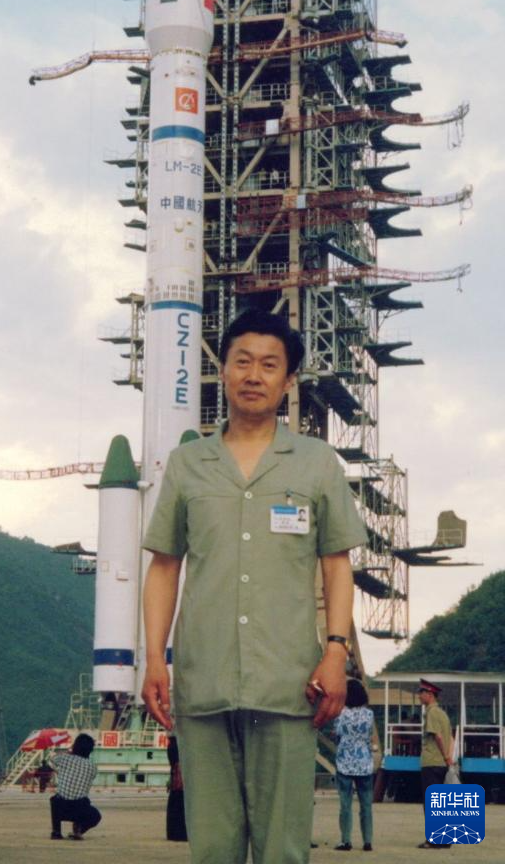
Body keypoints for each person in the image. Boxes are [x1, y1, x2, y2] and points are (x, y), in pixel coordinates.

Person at [141, 308, 367, 864]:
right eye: (242, 361)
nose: (253, 375)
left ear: (288, 380)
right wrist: (153, 660)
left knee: (284, 849)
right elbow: (165, 566)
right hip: (204, 681)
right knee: (212, 849)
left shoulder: (316, 464)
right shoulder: (188, 464)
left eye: (269, 365)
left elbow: (337, 565)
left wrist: (335, 653)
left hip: (288, 685)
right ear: (223, 370)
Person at [333, 678, 375, 852]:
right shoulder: (369, 714)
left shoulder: (341, 714)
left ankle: (346, 840)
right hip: (365, 763)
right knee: (366, 805)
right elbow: (369, 735)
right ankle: (367, 841)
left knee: (345, 805)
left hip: (344, 762)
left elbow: (337, 734)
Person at [417, 678, 453, 850]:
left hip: (431, 761)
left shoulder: (431, 712)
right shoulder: (443, 714)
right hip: (441, 764)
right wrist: (448, 758)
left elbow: (437, 736)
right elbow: (450, 737)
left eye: (422, 692)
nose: (419, 696)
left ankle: (433, 839)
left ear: (430, 694)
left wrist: (445, 755)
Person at [49, 733, 101, 841]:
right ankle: (78, 831)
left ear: (75, 746)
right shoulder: (93, 767)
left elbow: (52, 759)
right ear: (90, 750)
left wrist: (68, 752)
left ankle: (56, 832)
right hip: (80, 809)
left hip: (61, 808)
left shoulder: (65, 759)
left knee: (54, 800)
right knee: (96, 815)